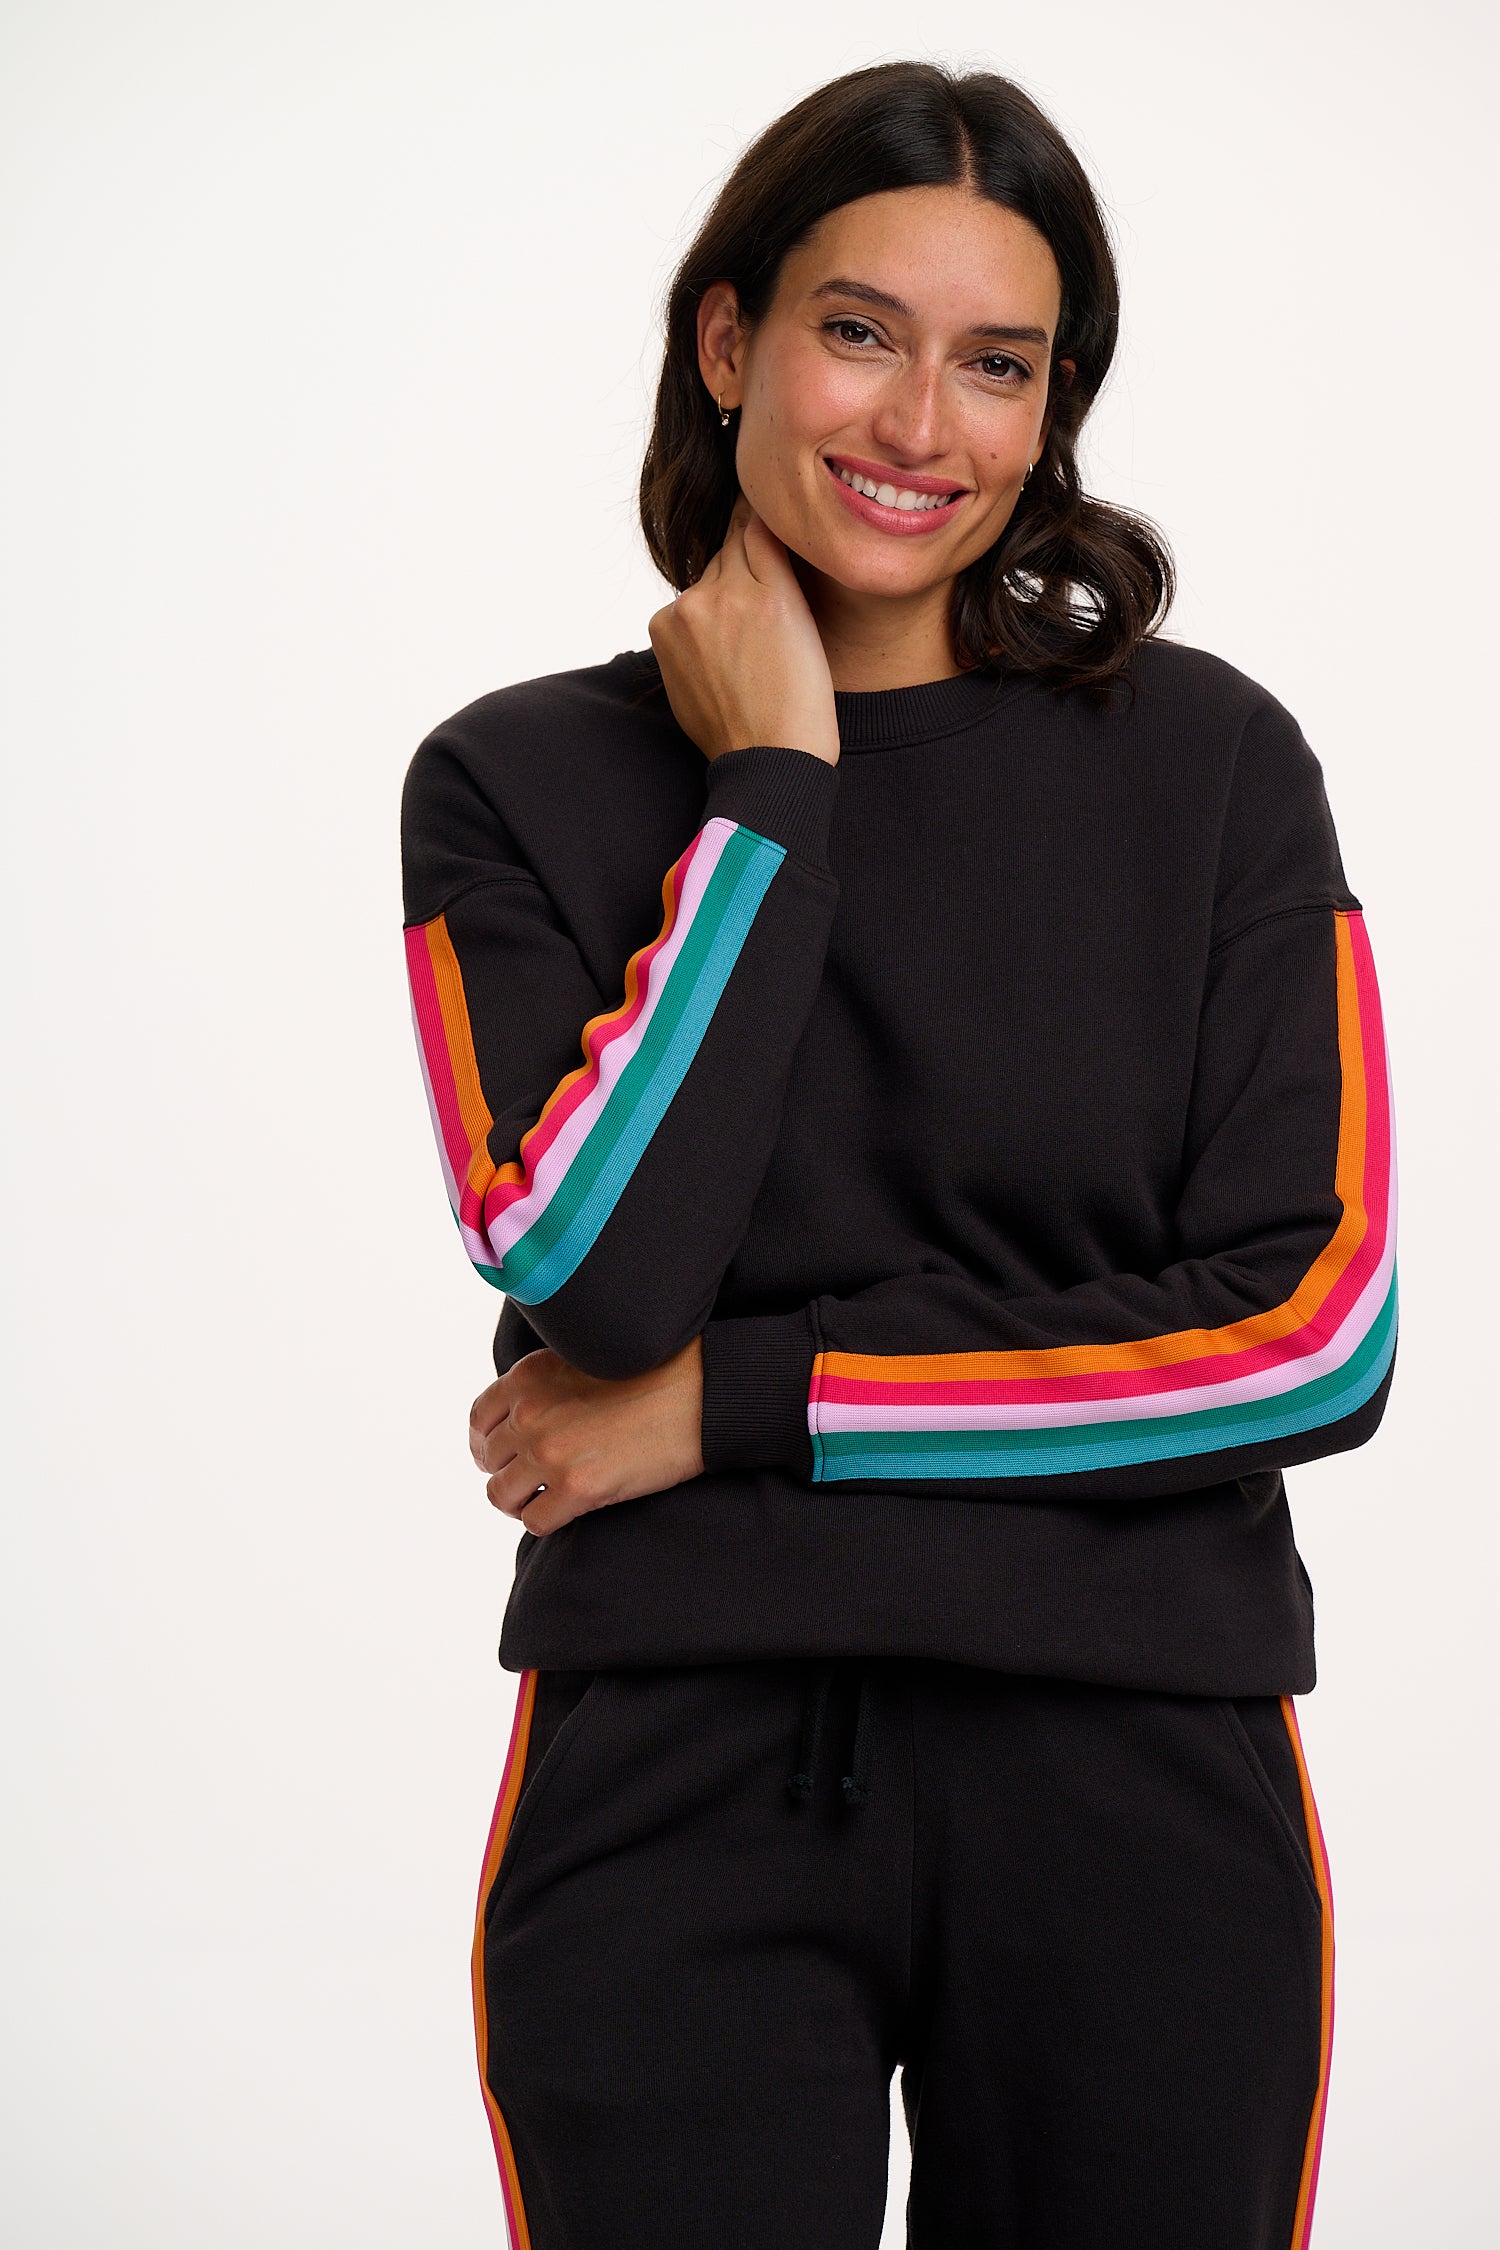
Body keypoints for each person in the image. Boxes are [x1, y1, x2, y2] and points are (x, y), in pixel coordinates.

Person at [399, 59, 1396, 2250]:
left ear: (1055, 413)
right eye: (861, 331)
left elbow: (1307, 1339)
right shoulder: (517, 781)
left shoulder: (1214, 765)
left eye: (999, 365)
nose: (919, 427)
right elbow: (590, 1269)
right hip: (678, 1774)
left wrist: (737, 1411)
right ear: (731, 339)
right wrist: (774, 788)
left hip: (1136, 1774)